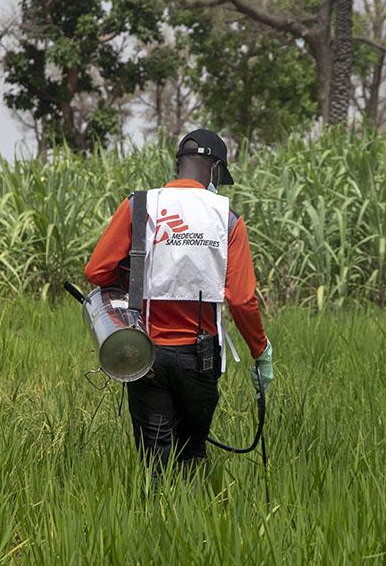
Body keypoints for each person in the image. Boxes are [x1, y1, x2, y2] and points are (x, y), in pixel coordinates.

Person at [84, 129, 273, 475]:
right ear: (215, 170)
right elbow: (243, 300)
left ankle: (154, 521)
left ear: (179, 165)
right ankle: (188, 520)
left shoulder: (139, 205)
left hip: (146, 354)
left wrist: (133, 277)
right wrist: (261, 353)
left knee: (156, 461)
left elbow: (97, 270)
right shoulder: (227, 219)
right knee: (190, 456)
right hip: (199, 359)